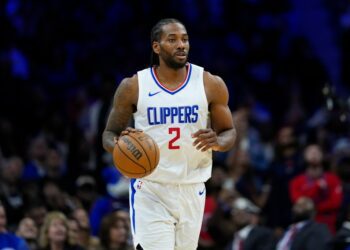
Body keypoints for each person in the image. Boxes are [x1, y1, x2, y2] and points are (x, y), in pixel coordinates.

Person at [102, 18, 236, 250]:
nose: (181, 45)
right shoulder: (134, 86)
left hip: (192, 186)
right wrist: (122, 148)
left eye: (184, 39)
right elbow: (109, 134)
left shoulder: (210, 83)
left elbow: (229, 132)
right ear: (157, 47)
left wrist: (219, 142)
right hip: (151, 188)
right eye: (172, 40)